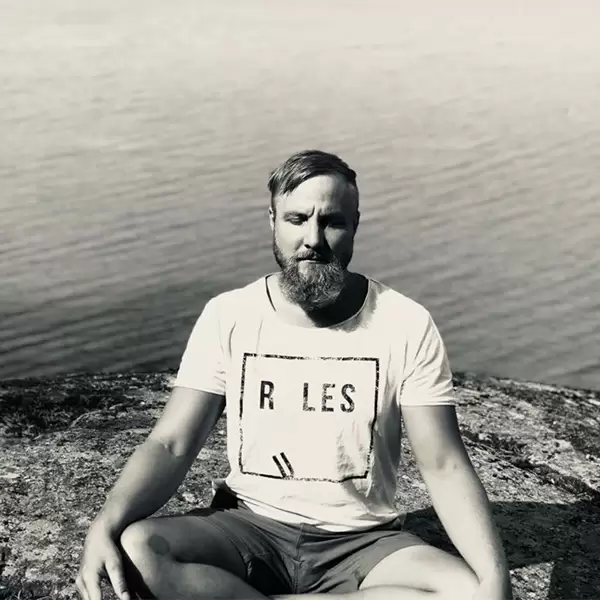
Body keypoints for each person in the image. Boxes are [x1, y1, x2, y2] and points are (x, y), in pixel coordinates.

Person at [76, 150, 512, 600]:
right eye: (297, 219)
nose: (313, 239)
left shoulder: (404, 322)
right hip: (248, 530)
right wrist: (104, 524)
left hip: (365, 544)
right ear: (273, 221)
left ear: (355, 224)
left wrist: (495, 578)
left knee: (468, 592)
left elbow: (443, 462)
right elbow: (171, 443)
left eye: (333, 222)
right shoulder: (230, 315)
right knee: (138, 549)